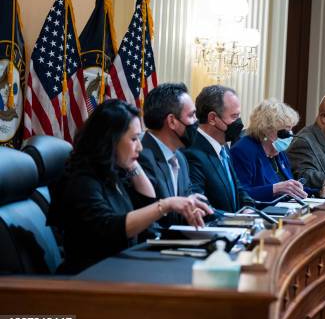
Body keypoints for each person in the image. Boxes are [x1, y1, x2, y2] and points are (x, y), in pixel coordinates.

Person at [48, 100, 211, 274]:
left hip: (118, 269)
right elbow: (110, 228)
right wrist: (167, 204)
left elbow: (146, 203)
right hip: (90, 278)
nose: (140, 147)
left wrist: (132, 163)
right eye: (134, 139)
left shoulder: (112, 174)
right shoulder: (82, 180)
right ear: (111, 139)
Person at [230, 99, 325, 202]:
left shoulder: (278, 152)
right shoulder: (243, 150)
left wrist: (319, 192)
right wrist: (274, 189)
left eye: (290, 129)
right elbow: (240, 195)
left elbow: (290, 188)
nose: (289, 134)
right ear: (266, 129)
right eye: (285, 130)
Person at [138, 83, 200, 233]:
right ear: (172, 121)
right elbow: (148, 225)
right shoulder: (141, 157)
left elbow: (186, 206)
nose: (196, 122)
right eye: (191, 115)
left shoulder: (180, 157)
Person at [182, 85, 255, 212]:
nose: (239, 122)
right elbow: (199, 205)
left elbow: (238, 188)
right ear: (212, 118)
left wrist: (249, 209)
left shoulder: (223, 145)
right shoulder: (192, 152)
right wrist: (234, 220)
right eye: (234, 116)